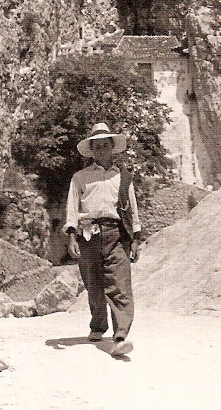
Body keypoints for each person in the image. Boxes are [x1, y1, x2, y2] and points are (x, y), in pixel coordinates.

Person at [64, 122, 142, 357]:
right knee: (94, 286)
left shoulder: (124, 178)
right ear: (91, 149)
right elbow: (72, 208)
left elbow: (132, 210)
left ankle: (120, 336)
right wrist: (71, 237)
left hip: (116, 235)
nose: (100, 150)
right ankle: (98, 325)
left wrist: (136, 238)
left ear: (112, 148)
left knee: (120, 285)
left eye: (104, 145)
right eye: (96, 146)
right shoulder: (80, 177)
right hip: (88, 235)